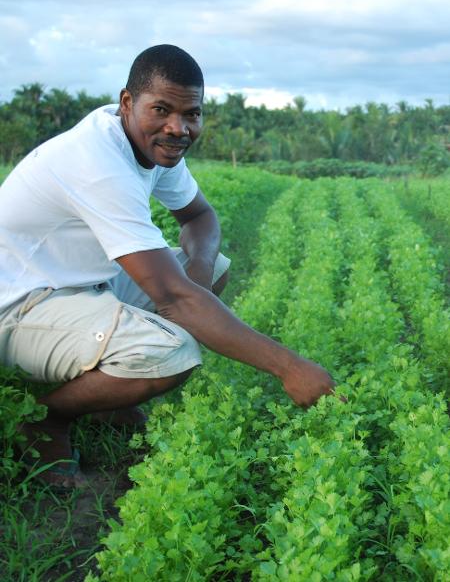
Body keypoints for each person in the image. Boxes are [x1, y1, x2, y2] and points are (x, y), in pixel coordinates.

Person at [0, 45, 335, 490]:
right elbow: (173, 297)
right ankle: (45, 422)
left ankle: (108, 394)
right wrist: (291, 368)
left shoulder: (150, 145)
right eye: (162, 109)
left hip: (77, 281)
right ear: (127, 103)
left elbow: (200, 218)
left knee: (212, 267)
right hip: (22, 304)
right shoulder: (98, 162)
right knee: (170, 351)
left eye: (191, 114)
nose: (178, 128)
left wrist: (197, 271)